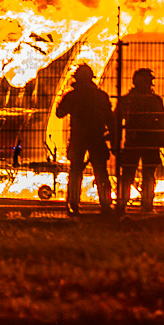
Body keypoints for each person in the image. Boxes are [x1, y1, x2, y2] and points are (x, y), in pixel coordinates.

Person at [54, 62, 117, 215]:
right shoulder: (100, 96)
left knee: (75, 171)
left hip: (78, 137)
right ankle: (106, 203)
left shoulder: (72, 96)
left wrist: (62, 102)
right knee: (101, 171)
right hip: (97, 136)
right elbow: (110, 118)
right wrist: (113, 135)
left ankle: (73, 204)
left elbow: (60, 113)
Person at [116, 67, 164, 213]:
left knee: (131, 173)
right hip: (147, 141)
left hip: (135, 141)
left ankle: (124, 203)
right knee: (143, 173)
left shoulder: (127, 100)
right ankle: (145, 204)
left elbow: (117, 121)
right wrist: (161, 138)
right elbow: (162, 120)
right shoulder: (153, 100)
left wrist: (116, 141)